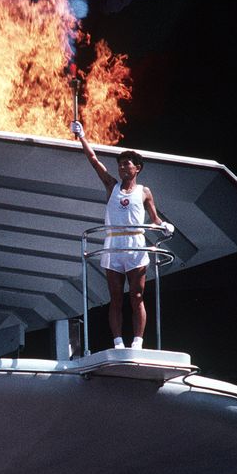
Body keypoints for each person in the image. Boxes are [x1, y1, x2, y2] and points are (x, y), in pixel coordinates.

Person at [70, 121, 173, 349]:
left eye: (127, 165)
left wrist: (165, 225)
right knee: (115, 298)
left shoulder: (144, 191)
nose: (122, 169)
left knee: (136, 297)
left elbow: (154, 218)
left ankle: (137, 342)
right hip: (114, 245)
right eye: (120, 166)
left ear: (137, 168)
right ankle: (118, 342)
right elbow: (94, 161)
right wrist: (82, 137)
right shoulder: (112, 186)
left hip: (136, 245)